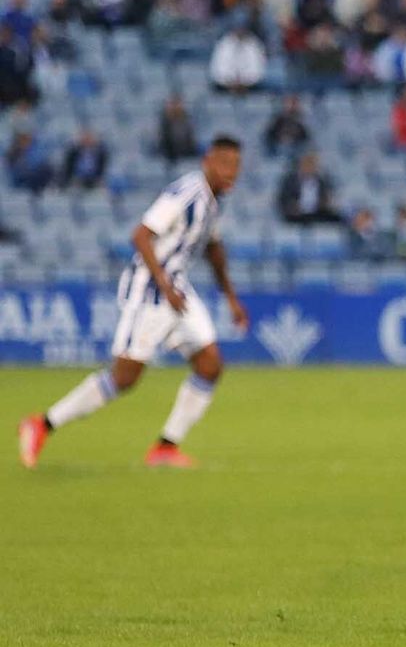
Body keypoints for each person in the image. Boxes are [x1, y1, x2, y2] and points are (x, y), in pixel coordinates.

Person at [19, 138, 249, 470]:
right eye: (226, 164)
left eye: (237, 166)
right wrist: (163, 284)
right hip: (151, 291)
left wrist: (230, 298)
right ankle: (42, 424)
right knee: (124, 378)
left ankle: (166, 448)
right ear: (208, 161)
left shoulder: (213, 202)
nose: (232, 173)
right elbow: (140, 235)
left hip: (177, 290)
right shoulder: (186, 193)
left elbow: (214, 251)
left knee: (210, 364)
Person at [277, 149, 341, 223]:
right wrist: (291, 206)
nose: (309, 167)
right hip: (296, 214)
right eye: (306, 163)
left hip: (317, 212)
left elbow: (327, 198)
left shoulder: (321, 181)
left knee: (335, 218)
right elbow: (283, 199)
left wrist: (324, 203)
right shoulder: (290, 181)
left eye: (312, 164)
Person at [209, 25, 267, 93]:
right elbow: (217, 71)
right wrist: (230, 81)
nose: (240, 31)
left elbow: (258, 71)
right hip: (225, 87)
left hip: (250, 88)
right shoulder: (224, 43)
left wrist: (244, 82)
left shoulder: (254, 44)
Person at [157, 94, 200, 161]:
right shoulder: (164, 123)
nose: (176, 108)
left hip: (187, 152)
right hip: (170, 154)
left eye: (178, 105)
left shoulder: (187, 121)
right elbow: (162, 142)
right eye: (173, 105)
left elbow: (191, 140)